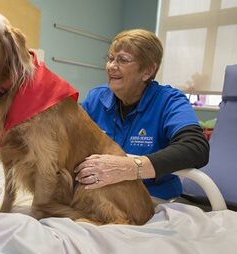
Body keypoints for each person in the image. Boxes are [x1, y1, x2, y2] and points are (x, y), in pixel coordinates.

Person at [74, 29, 210, 200]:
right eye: (110, 59)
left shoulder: (169, 101)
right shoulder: (96, 98)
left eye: (122, 60)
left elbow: (196, 148)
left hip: (153, 200)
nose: (111, 66)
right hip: (101, 196)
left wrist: (130, 167)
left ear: (147, 71)